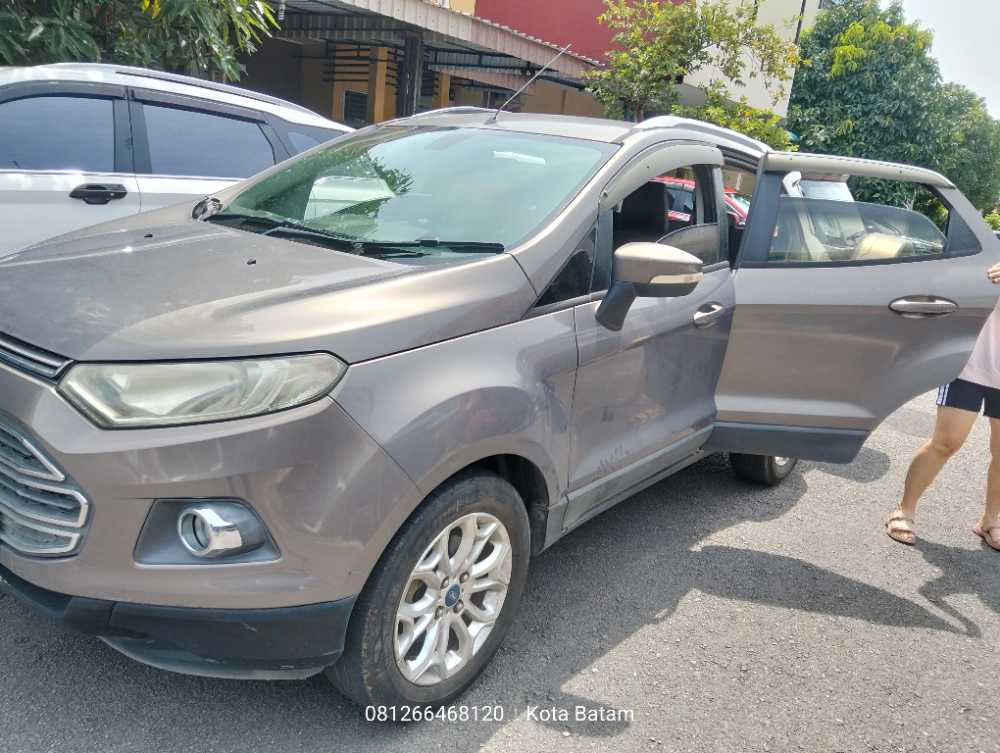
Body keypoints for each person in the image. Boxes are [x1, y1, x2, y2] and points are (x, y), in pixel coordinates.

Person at [886, 262, 1000, 550]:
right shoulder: (990, 248)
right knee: (946, 442)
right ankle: (904, 510)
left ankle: (990, 521)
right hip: (969, 365)